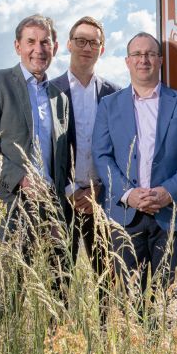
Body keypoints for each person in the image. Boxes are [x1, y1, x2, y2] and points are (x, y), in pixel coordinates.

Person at [0, 14, 72, 335]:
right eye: (31, 42)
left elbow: (62, 157)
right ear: (17, 46)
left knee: (58, 293)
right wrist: (21, 177)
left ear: (53, 47)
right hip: (5, 206)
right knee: (5, 294)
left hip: (50, 210)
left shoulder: (59, 97)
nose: (38, 49)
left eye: (45, 42)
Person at [91, 32, 177, 306]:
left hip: (171, 215)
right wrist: (128, 193)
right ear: (127, 61)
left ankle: (162, 350)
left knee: (164, 299)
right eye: (137, 54)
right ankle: (134, 349)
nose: (143, 60)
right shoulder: (109, 106)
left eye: (150, 54)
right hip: (125, 215)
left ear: (160, 60)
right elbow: (102, 155)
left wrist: (168, 192)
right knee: (127, 299)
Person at [50, 16, 120, 311]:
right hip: (60, 200)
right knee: (58, 282)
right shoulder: (49, 91)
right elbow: (42, 149)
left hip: (101, 200)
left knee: (108, 282)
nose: (86, 47)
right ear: (68, 44)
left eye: (93, 42)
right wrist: (69, 190)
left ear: (101, 49)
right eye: (81, 40)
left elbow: (121, 150)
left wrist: (99, 191)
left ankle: (106, 344)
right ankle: (59, 346)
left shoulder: (115, 94)